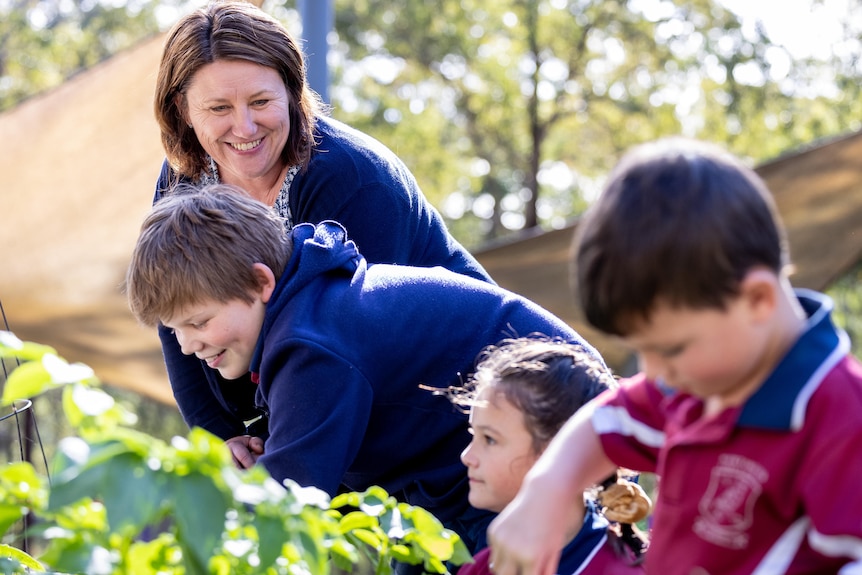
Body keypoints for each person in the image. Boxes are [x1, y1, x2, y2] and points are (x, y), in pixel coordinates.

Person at [124, 184, 604, 554]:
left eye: (198, 322)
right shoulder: (313, 306)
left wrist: (158, 534)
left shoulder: (313, 343)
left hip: (536, 452)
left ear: (261, 282)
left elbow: (286, 496)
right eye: (175, 331)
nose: (187, 345)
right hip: (453, 484)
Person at [485, 138, 862, 574]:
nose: (653, 371)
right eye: (642, 350)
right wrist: (547, 490)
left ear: (757, 300)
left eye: (671, 349)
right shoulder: (701, 384)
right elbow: (601, 422)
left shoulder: (840, 423)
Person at [151, 0, 494, 447]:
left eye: (260, 101)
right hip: (322, 412)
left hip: (451, 409)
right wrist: (223, 441)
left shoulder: (353, 178)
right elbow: (175, 310)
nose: (245, 126)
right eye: (218, 108)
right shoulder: (182, 177)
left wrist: (277, 453)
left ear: (292, 92)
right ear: (183, 108)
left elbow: (343, 353)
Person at [444, 337, 649, 575]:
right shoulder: (483, 566)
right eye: (473, 435)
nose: (466, 457)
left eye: (490, 439)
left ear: (558, 451)